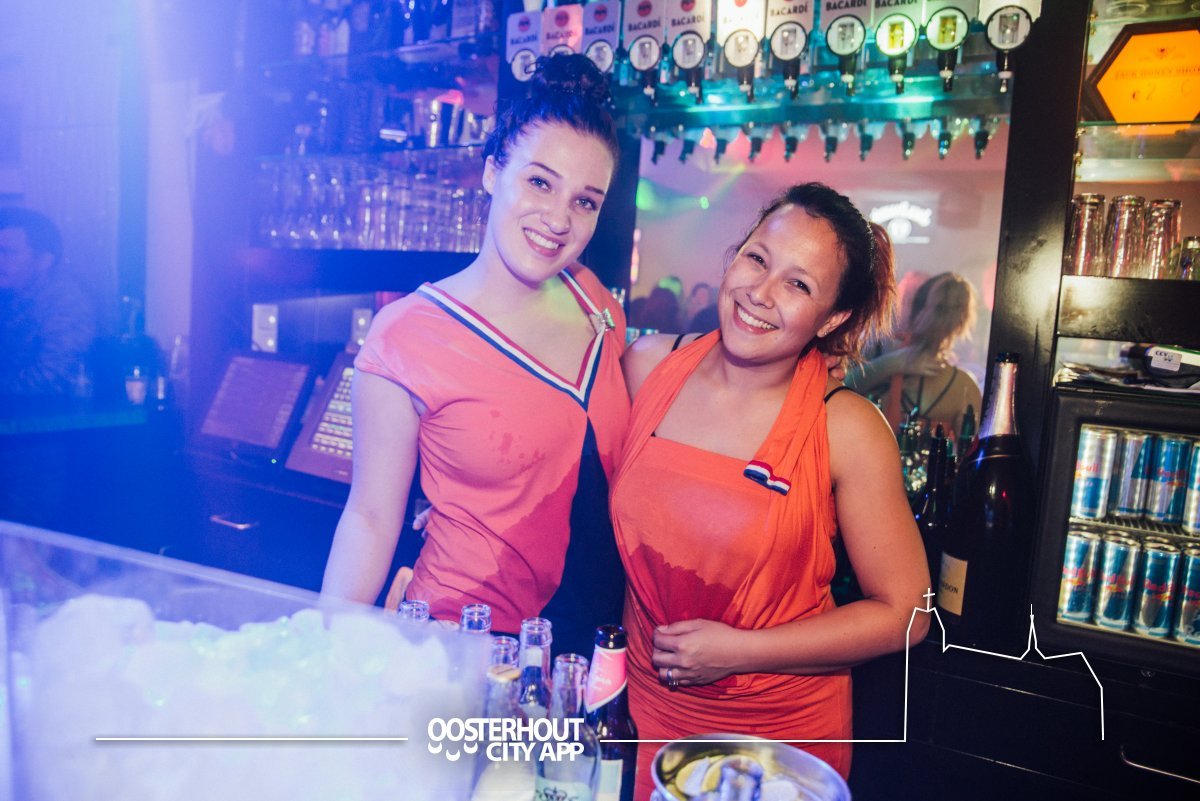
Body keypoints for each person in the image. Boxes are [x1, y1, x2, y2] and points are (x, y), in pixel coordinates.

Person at [611, 183, 931, 794]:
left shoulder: (845, 427)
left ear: (831, 319)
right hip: (642, 711)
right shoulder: (648, 367)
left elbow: (907, 614)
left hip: (773, 743)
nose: (760, 292)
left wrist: (738, 651)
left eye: (798, 284)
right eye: (757, 258)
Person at [320, 54, 629, 659]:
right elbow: (370, 518)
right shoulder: (407, 334)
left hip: (588, 651)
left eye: (586, 201)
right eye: (539, 182)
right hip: (465, 647)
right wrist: (326, 654)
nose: (558, 219)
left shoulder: (594, 301)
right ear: (492, 172)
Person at [846, 271, 982, 438]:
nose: (905, 305)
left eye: (912, 299)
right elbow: (837, 391)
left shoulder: (963, 385)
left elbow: (968, 445)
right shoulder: (874, 346)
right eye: (904, 298)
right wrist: (891, 363)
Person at [0, 207, 95, 401]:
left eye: (9, 253)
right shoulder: (11, 296)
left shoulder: (65, 301)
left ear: (44, 261)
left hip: (50, 414)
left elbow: (53, 377)